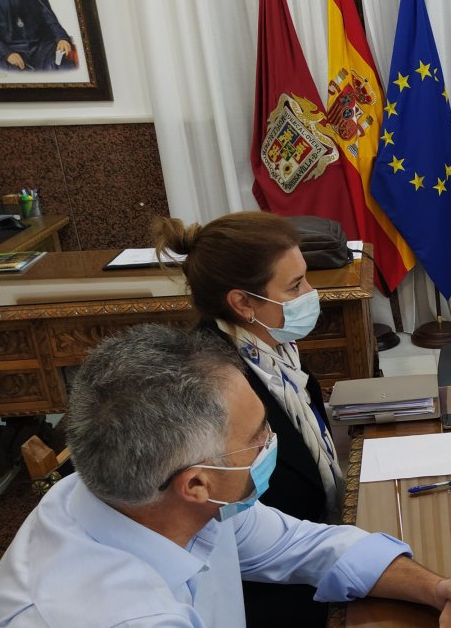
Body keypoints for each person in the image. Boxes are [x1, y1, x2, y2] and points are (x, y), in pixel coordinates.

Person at [0, 324, 451, 627]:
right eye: (261, 437)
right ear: (196, 482)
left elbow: (312, 547)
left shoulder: (169, 500)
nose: (274, 446)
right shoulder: (111, 617)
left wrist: (440, 592)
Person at [154, 212, 342, 627]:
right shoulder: (219, 387)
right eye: (295, 286)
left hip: (308, 541)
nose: (312, 294)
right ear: (242, 302)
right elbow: (238, 530)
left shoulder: (270, 347)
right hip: (267, 584)